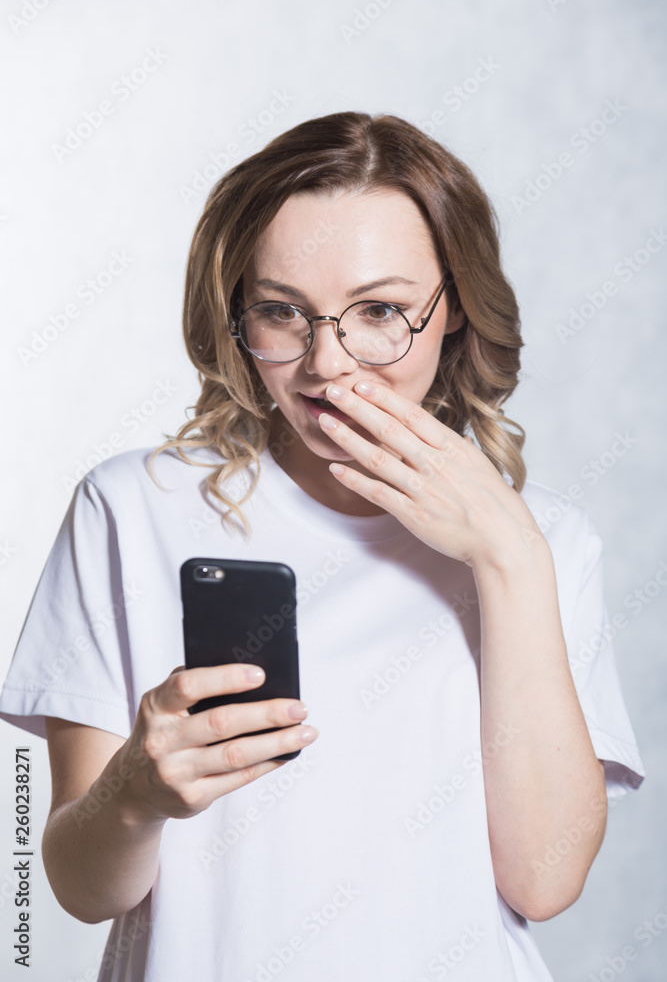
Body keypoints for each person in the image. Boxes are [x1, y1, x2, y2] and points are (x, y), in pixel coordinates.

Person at [0, 112, 645, 982]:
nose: (326, 365)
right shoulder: (130, 508)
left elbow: (543, 877)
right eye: (280, 313)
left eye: (379, 311)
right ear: (235, 317)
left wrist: (508, 560)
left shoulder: (543, 539)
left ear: (451, 307)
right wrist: (135, 793)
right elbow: (80, 890)